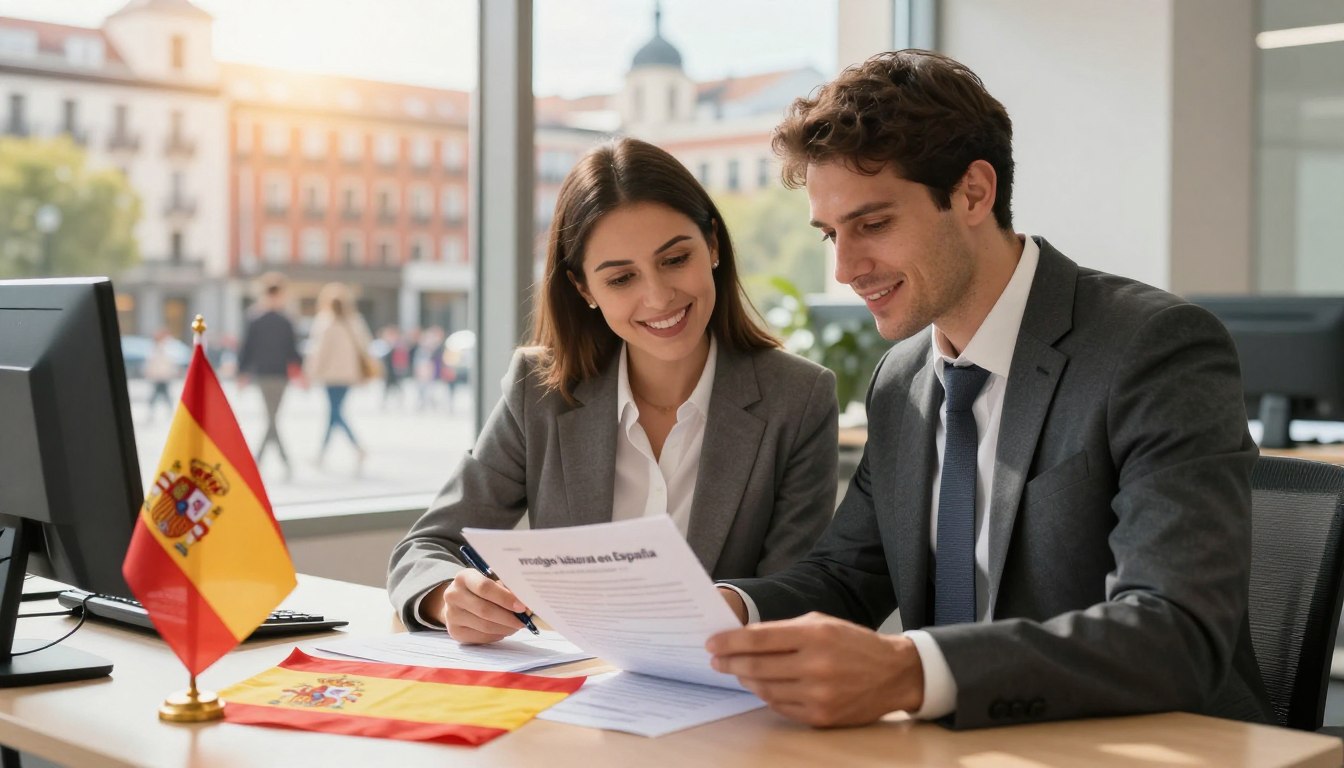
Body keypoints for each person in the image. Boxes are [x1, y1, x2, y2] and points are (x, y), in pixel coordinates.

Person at [705, 50, 1272, 730]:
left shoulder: (1154, 349)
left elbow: (1174, 632)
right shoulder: (902, 381)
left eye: (873, 224)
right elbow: (843, 577)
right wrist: (723, 612)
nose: (847, 269)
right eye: (831, 234)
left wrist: (914, 671)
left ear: (974, 193)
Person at [387, 137, 840, 644]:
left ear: (712, 245)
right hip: (574, 694)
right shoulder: (538, 391)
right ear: (585, 290)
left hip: (725, 695)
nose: (658, 296)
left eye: (675, 259)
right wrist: (449, 595)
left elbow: (798, 592)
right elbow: (424, 548)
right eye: (622, 278)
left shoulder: (798, 398)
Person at [237, 273, 303, 480]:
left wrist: (243, 371)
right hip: (266, 374)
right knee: (272, 418)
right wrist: (242, 372)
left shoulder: (282, 319)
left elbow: (293, 350)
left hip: (277, 375)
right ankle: (274, 461)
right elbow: (247, 348)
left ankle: (257, 462)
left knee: (272, 418)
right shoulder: (260, 319)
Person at [304, 282, 373, 471]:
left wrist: (310, 374)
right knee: (335, 412)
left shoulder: (325, 322)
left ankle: (353, 448)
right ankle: (331, 452)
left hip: (331, 376)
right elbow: (365, 348)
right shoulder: (355, 321)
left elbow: (318, 353)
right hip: (349, 376)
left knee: (335, 412)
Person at [143, 328, 180, 421]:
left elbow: (170, 362)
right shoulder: (156, 348)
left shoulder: (167, 347)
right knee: (159, 395)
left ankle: (169, 412)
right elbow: (151, 362)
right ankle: (155, 413)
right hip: (158, 375)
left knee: (163, 395)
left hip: (164, 375)